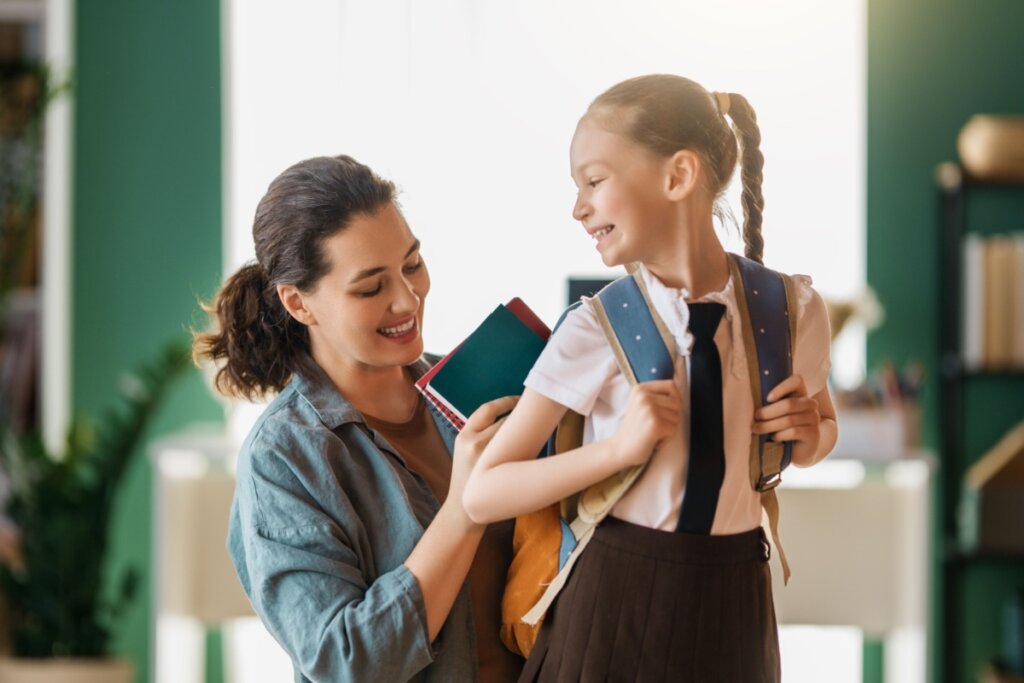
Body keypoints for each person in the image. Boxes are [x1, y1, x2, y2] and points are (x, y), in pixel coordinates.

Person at [462, 75, 838, 682]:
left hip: (736, 605)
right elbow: (484, 491)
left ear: (678, 176)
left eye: (594, 181)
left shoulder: (791, 311)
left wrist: (811, 437)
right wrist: (617, 450)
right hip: (614, 607)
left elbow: (822, 431)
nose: (578, 207)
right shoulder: (595, 327)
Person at [194, 154, 523, 682]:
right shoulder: (284, 457)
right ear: (299, 304)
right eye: (371, 288)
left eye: (412, 265)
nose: (407, 300)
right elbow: (346, 661)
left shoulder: (476, 388)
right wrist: (464, 509)